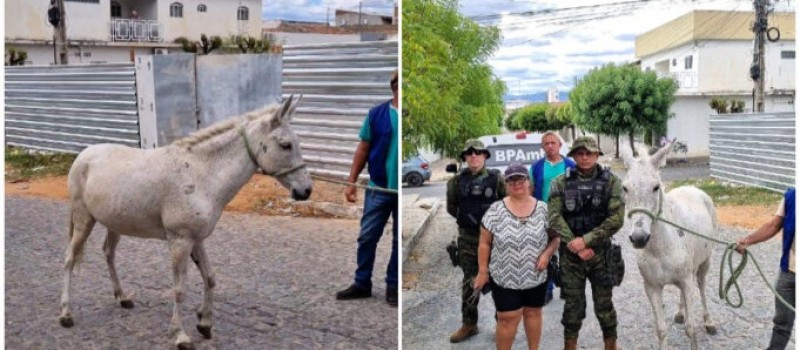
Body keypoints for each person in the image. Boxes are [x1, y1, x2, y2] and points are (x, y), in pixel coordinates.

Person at [547, 136, 625, 350]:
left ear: (597, 154)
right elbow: (554, 216)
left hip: (601, 255)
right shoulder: (560, 182)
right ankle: (570, 346)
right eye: (580, 153)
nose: (584, 157)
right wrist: (575, 244)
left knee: (604, 305)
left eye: (589, 153)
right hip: (572, 256)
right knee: (573, 306)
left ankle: (611, 345)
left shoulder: (612, 182)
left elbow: (616, 219)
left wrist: (586, 241)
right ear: (573, 156)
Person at [473, 163, 560, 350]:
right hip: (504, 276)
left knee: (533, 313)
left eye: (520, 178)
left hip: (536, 274)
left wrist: (546, 255)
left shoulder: (544, 209)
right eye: (511, 180)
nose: (516, 183)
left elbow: (555, 238)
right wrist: (482, 271)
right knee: (507, 318)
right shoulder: (495, 210)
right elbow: (484, 243)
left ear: (529, 182)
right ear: (506, 185)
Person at [336, 70, 399, 307]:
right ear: (393, 86)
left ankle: (393, 286)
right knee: (367, 236)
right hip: (378, 188)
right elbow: (363, 148)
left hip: (400, 191)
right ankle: (362, 283)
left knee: (398, 241)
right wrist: (351, 181)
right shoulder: (376, 114)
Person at [446, 139, 506, 343]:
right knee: (470, 282)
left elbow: (507, 204)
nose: (473, 156)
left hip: (496, 239)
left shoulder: (497, 179)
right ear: (464, 157)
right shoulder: (455, 182)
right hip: (468, 239)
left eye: (478, 153)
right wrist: (470, 219)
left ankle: (502, 324)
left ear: (485, 156)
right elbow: (452, 207)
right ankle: (469, 323)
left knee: (499, 282)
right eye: (469, 153)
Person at [735, 187, 795, 350]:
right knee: (782, 322)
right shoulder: (792, 196)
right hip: (788, 272)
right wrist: (747, 240)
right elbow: (774, 225)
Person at [529, 131, 575, 304]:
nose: (550, 146)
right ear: (542, 147)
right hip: (543, 216)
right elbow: (530, 191)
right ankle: (547, 289)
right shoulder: (537, 167)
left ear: (559, 145)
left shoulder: (570, 165)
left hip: (566, 216)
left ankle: (566, 287)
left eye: (553, 143)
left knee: (568, 253)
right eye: (546, 143)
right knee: (545, 251)